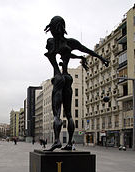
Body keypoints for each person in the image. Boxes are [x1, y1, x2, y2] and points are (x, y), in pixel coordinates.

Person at [44, 16, 109, 151]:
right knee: (69, 114)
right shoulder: (70, 43)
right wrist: (102, 58)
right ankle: (69, 143)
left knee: (57, 113)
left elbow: (53, 55)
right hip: (68, 78)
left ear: (52, 28)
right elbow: (87, 50)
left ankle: (57, 141)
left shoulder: (51, 42)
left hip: (58, 78)